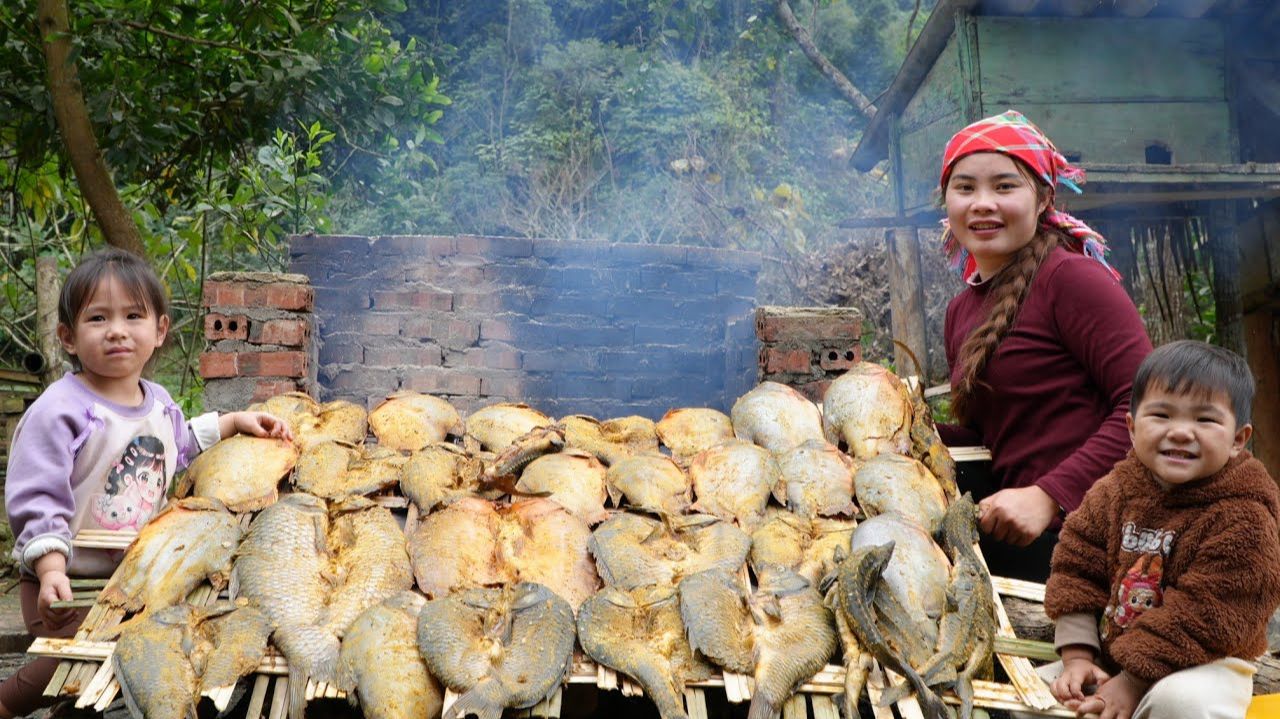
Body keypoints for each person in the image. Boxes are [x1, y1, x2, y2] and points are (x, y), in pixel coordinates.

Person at [0, 248, 292, 718]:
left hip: (133, 579)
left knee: (114, 666)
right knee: (66, 665)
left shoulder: (157, 402)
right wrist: (52, 567)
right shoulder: (59, 411)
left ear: (159, 330)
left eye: (133, 316)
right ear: (68, 337)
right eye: (98, 318)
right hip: (69, 582)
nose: (117, 330)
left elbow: (178, 445)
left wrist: (234, 421)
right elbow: (38, 495)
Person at [936, 110, 1153, 582]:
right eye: (965, 188)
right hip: (1028, 541)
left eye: (1005, 186)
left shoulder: (1071, 279)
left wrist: (1049, 495)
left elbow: (1149, 408)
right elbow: (997, 440)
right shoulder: (960, 311)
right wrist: (901, 430)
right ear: (947, 201)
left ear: (1043, 199)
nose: (983, 204)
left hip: (1104, 539)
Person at [1043, 340, 1280, 719]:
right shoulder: (1116, 490)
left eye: (1205, 420)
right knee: (1039, 692)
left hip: (1207, 664)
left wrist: (1132, 683)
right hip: (1115, 656)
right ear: (1132, 428)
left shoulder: (1245, 515)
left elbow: (1208, 614)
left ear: (1238, 439)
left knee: (1181, 702)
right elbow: (1076, 568)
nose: (1181, 432)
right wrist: (1077, 656)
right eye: (1162, 415)